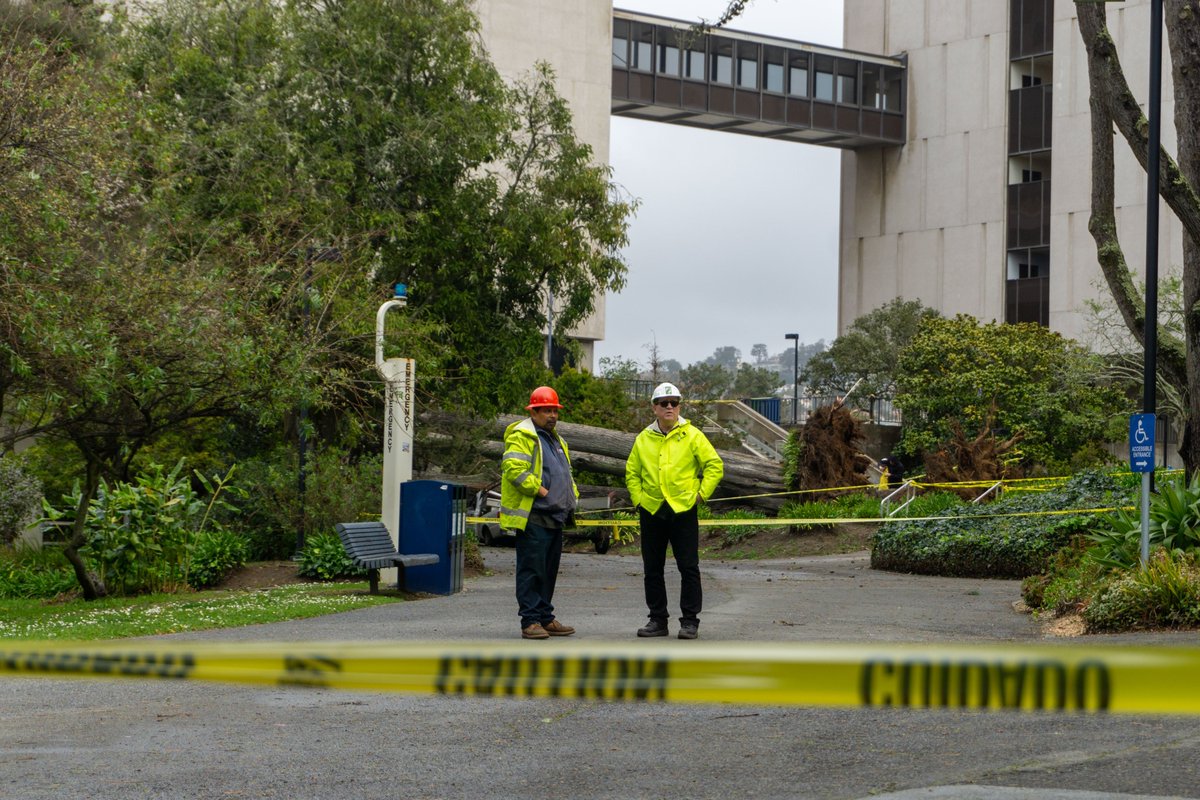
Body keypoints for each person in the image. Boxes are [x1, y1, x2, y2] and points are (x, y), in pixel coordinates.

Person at [625, 382, 724, 640]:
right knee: (652, 568)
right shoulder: (643, 438)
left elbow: (714, 464)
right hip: (652, 510)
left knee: (689, 567)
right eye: (663, 403)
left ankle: (690, 621)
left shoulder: (692, 435)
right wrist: (638, 500)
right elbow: (632, 473)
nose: (670, 407)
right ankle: (657, 620)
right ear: (654, 408)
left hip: (683, 509)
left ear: (679, 406)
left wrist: (701, 495)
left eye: (674, 402)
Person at [500, 385, 579, 640]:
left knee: (548, 570)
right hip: (534, 514)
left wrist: (571, 497)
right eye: (546, 410)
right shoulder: (523, 435)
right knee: (532, 569)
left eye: (555, 410)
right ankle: (530, 621)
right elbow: (514, 469)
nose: (552, 415)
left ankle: (545, 617)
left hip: (555, 516)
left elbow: (564, 473)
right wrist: (540, 490)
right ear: (533, 412)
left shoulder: (556, 439)